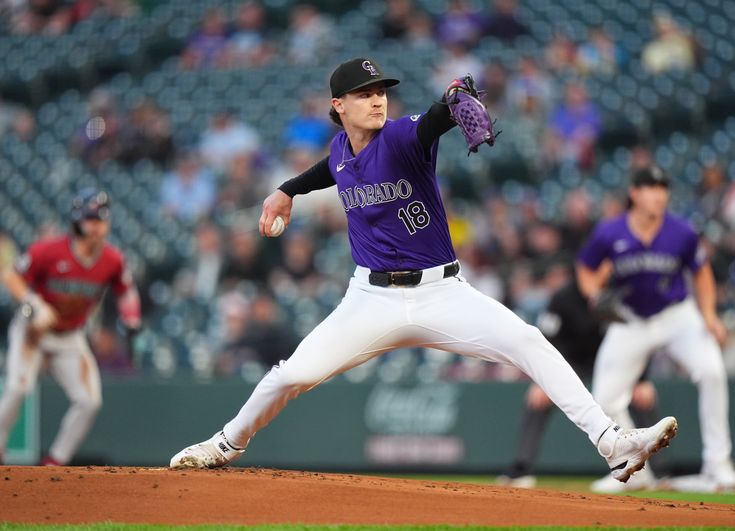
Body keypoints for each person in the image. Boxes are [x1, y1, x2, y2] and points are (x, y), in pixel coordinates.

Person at [169, 57, 678, 481]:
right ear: (338, 106)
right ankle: (226, 443)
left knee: (528, 341)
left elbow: (436, 118)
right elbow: (331, 168)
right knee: (291, 375)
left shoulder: (405, 136)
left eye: (381, 90)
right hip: (369, 299)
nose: (377, 99)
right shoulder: (340, 149)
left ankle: (614, 443)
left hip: (443, 293)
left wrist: (453, 97)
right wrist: (287, 190)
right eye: (364, 92)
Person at [576, 166, 735, 491]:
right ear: (635, 193)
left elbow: (702, 272)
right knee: (605, 398)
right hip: (630, 319)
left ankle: (718, 463)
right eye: (651, 187)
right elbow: (585, 268)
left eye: (662, 188)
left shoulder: (681, 231)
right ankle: (632, 470)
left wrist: (709, 314)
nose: (659, 194)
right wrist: (593, 293)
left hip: (676, 315)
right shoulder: (610, 232)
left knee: (712, 371)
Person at [0, 189, 141, 465]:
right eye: (90, 219)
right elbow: (12, 276)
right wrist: (34, 304)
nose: (95, 226)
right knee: (18, 389)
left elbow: (126, 291)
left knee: (89, 401)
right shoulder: (49, 251)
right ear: (77, 221)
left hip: (70, 335)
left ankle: (55, 462)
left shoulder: (112, 259)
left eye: (100, 219)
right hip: (33, 332)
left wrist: (131, 317)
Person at [496, 276, 661, 490]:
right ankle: (522, 468)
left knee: (641, 396)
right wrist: (542, 379)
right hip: (571, 362)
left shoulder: (623, 292)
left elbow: (640, 338)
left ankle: (658, 472)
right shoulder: (564, 297)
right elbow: (547, 339)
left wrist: (642, 378)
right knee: (537, 399)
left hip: (613, 361)